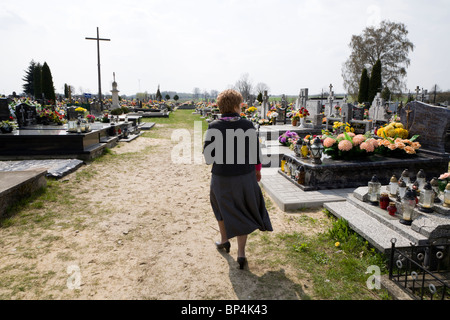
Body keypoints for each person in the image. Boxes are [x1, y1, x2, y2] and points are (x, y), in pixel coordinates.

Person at [203, 89, 273, 269]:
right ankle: (241, 253)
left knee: (220, 207)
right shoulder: (247, 125)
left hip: (221, 176)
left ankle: (224, 240)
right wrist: (257, 171)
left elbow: (208, 158)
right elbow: (255, 153)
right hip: (245, 175)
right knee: (243, 209)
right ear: (235, 106)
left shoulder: (214, 127)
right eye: (240, 103)